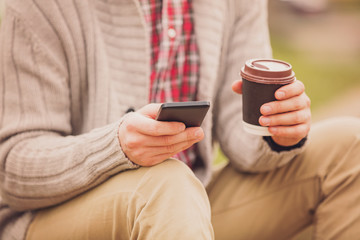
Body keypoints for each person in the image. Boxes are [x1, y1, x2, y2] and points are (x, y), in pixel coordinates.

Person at [0, 0, 359, 239]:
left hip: (185, 211)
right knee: (167, 184)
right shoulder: (35, 7)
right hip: (55, 219)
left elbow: (244, 141)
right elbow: (12, 168)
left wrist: (279, 128)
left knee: (349, 146)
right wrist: (116, 147)